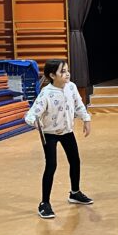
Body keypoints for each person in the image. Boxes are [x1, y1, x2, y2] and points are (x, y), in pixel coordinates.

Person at [24, 59, 92, 219]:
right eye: (63, 71)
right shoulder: (46, 93)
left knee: (75, 161)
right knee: (51, 165)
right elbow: (31, 114)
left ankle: (75, 192)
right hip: (50, 134)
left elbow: (79, 104)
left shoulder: (71, 87)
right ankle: (44, 203)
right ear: (52, 75)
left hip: (67, 131)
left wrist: (86, 119)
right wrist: (33, 121)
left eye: (67, 70)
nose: (67, 74)